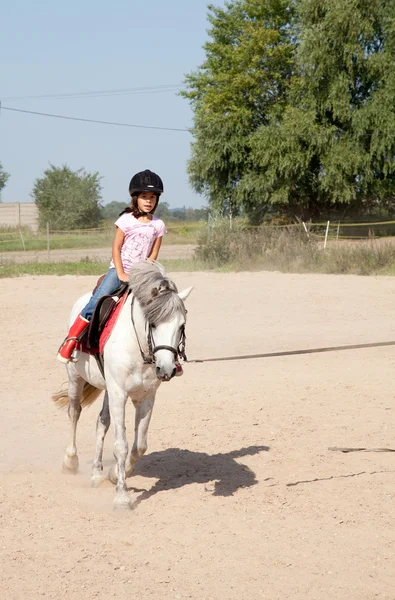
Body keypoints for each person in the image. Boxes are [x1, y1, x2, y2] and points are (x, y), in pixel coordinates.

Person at [57, 169, 182, 375]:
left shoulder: (158, 225)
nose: (148, 201)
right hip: (119, 270)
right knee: (96, 300)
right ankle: (71, 340)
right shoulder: (125, 220)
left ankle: (170, 356)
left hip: (143, 274)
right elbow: (116, 248)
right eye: (144, 197)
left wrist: (146, 270)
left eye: (152, 197)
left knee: (164, 304)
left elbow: (154, 251)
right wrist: (122, 273)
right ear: (136, 199)